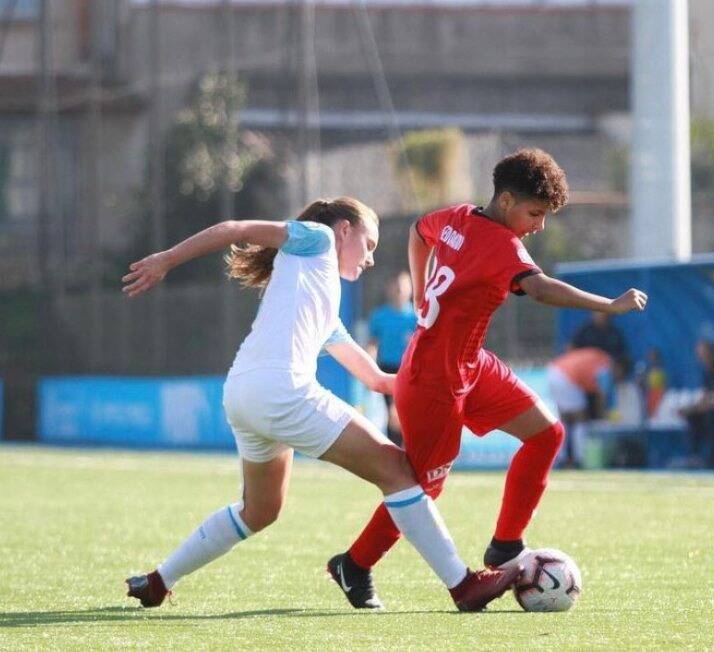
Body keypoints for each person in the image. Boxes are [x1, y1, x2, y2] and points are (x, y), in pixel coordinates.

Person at [121, 198, 519, 612]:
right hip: (281, 392)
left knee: (260, 511)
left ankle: (159, 580)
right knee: (398, 472)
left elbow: (378, 380)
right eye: (369, 244)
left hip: (241, 393)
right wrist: (166, 259)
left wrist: (450, 382)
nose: (370, 259)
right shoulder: (319, 239)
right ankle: (462, 585)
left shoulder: (323, 303)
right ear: (344, 229)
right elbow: (236, 228)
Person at [327, 148, 648, 609]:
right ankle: (354, 564)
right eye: (535, 213)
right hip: (433, 380)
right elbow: (540, 289)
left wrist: (420, 292)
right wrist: (608, 305)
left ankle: (505, 545)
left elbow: (419, 231)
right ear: (506, 200)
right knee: (420, 487)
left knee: (546, 433)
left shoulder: (457, 217)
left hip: (470, 364)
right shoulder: (502, 246)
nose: (540, 226)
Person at [367, 271, 416, 445]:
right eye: (396, 286)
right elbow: (373, 344)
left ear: (410, 289)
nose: (399, 290)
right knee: (393, 412)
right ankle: (395, 449)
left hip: (409, 371)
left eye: (403, 286)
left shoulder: (417, 317)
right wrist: (369, 368)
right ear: (389, 289)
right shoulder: (379, 316)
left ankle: (406, 449)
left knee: (405, 412)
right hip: (387, 369)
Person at [547, 347, 614, 468]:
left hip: (553, 372)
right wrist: (603, 417)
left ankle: (561, 458)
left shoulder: (597, 356)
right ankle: (579, 458)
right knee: (580, 418)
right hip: (566, 377)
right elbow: (601, 394)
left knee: (565, 420)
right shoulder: (606, 365)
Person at [681, 340, 714, 468]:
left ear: (711, 352)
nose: (702, 357)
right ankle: (694, 456)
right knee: (692, 416)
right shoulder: (707, 372)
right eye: (700, 354)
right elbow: (704, 396)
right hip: (708, 409)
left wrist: (700, 408)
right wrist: (693, 408)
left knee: (711, 416)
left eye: (704, 353)